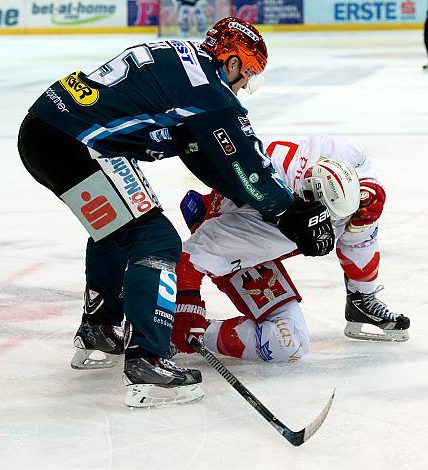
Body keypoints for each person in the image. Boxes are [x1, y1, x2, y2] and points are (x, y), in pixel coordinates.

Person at [17, 17, 335, 407]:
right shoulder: (210, 89)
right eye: (247, 74)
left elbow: (204, 155)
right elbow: (246, 161)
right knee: (156, 239)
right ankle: (147, 364)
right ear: (232, 62)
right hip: (79, 143)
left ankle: (98, 329)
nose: (244, 87)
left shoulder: (185, 63)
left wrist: (250, 197)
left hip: (49, 131)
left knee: (121, 228)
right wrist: (288, 212)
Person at [172, 135, 411, 363]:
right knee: (288, 342)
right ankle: (173, 328)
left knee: (361, 223)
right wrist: (186, 305)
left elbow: (359, 162)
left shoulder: (331, 158)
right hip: (230, 235)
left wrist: (368, 185)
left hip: (263, 211)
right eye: (334, 221)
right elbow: (187, 259)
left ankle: (362, 298)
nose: (341, 226)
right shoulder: (255, 227)